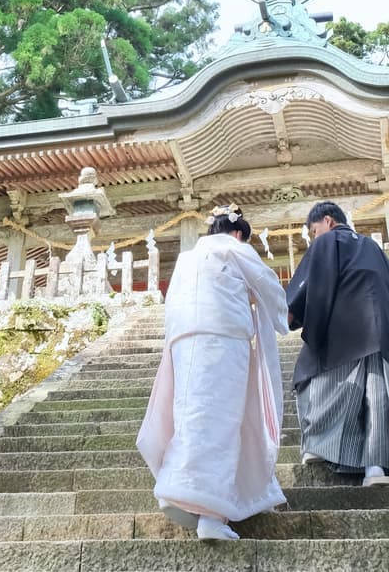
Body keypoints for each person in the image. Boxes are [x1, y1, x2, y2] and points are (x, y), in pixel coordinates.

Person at [137, 204, 290, 540]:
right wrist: (286, 319)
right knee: (221, 419)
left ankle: (181, 487)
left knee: (191, 414)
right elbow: (267, 284)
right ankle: (210, 514)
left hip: (183, 342)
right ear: (238, 233)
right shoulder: (234, 248)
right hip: (221, 339)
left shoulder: (187, 258)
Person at [287, 201, 389, 488]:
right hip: (383, 333)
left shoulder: (327, 243)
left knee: (316, 383)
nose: (315, 237)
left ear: (326, 221)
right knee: (377, 400)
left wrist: (291, 314)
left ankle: (319, 444)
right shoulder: (372, 247)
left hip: (344, 332)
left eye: (314, 231)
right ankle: (375, 470)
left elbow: (316, 285)